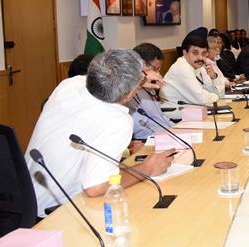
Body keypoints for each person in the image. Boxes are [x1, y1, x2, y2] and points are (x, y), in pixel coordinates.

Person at [26, 49, 173, 217]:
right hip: (57, 211)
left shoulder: (68, 85)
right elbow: (96, 186)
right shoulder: (116, 120)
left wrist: (137, 82)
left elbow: (100, 79)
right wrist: (147, 168)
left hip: (27, 196)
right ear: (129, 94)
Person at [162, 34, 225, 115]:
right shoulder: (181, 67)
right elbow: (201, 99)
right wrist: (215, 97)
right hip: (176, 119)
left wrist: (214, 77)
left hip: (194, 114)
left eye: (203, 53)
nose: (200, 58)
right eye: (195, 53)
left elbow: (220, 94)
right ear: (185, 53)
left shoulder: (201, 67)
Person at [129, 43, 174, 140]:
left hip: (164, 135)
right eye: (155, 69)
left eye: (158, 69)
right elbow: (142, 129)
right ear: (142, 63)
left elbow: (160, 117)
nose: (157, 73)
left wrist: (176, 129)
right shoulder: (128, 90)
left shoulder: (149, 85)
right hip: (148, 140)